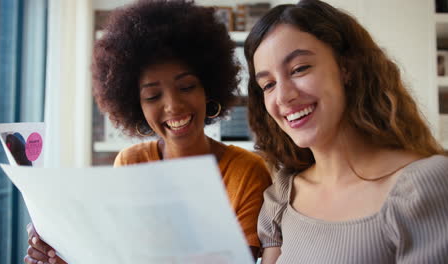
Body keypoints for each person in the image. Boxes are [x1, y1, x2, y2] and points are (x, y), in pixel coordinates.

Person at [24, 1, 271, 263]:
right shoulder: (132, 163)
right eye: (153, 95)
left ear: (208, 88)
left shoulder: (247, 173)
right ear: (135, 105)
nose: (173, 106)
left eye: (186, 87)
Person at [244, 0, 448, 263]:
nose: (283, 96)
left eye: (299, 69)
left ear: (346, 68)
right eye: (268, 84)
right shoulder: (281, 195)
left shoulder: (423, 185)